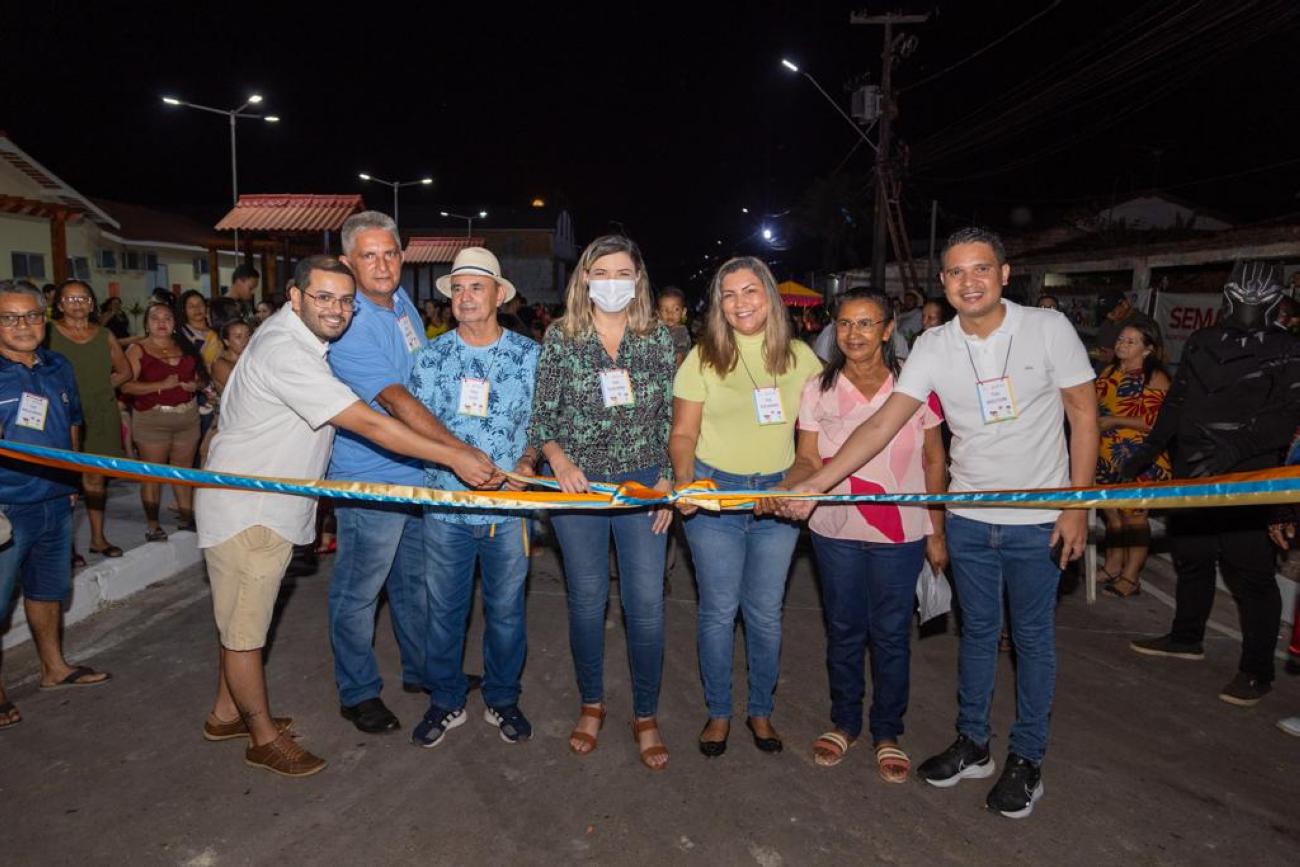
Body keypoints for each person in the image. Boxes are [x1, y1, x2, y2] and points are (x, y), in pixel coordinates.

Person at [780, 228, 1097, 819]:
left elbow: (1083, 414)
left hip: (1038, 517)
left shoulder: (1047, 328)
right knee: (976, 635)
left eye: (981, 269)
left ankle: (1026, 758)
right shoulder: (932, 345)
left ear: (1004, 274)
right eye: (955, 272)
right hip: (968, 512)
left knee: (1031, 640)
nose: (968, 282)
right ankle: (973, 743)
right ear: (943, 282)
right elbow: (882, 425)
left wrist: (1077, 506)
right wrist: (818, 484)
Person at [195, 255, 498, 777]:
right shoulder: (287, 351)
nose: (336, 309)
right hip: (251, 511)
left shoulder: (300, 337)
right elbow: (370, 422)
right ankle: (263, 738)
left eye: (344, 300)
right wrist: (454, 455)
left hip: (272, 504)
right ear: (295, 297)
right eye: (323, 297)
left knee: (241, 617)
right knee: (246, 632)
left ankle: (227, 714)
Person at [327, 211, 494, 735]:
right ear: (347, 263)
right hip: (370, 478)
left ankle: (424, 670)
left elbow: (425, 377)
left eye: (390, 254)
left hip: (419, 472)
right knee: (359, 590)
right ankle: (358, 692)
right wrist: (457, 451)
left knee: (415, 585)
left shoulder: (399, 301)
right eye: (368, 256)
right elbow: (396, 400)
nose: (382, 266)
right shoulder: (350, 324)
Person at [784, 289, 947, 781]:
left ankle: (887, 730)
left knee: (891, 632)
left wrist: (936, 529)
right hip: (835, 528)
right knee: (844, 628)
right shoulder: (818, 387)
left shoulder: (915, 385)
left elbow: (934, 459)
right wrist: (789, 489)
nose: (853, 334)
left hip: (901, 529)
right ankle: (845, 721)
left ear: (887, 328)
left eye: (865, 323)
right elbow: (806, 458)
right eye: (844, 324)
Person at [528, 234, 676, 771]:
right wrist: (559, 462)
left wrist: (669, 481)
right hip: (579, 486)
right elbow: (543, 417)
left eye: (623, 273)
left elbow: (671, 418)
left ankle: (646, 713)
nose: (613, 282)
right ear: (585, 278)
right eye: (602, 272)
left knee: (647, 606)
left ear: (638, 280)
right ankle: (592, 703)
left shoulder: (658, 338)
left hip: (643, 484)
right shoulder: (561, 337)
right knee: (588, 601)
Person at [1126, 260, 1300, 707]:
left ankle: (1257, 671)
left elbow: (1286, 419)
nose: (1247, 308)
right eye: (1240, 298)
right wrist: (1146, 452)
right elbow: (1178, 402)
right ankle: (1186, 637)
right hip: (1193, 469)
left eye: (1257, 300)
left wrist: (1234, 450)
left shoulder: (1289, 349)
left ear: (1275, 302)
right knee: (1193, 557)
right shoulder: (1203, 341)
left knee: (1251, 575)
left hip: (1248, 478)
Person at [670, 256, 822, 759]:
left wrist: (796, 484)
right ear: (719, 305)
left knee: (765, 613)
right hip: (715, 496)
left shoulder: (802, 358)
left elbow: (816, 440)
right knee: (718, 611)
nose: (741, 303)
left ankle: (760, 709)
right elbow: (683, 434)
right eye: (729, 294)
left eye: (750, 291)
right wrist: (687, 484)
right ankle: (719, 711)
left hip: (778, 498)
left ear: (769, 296)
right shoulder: (702, 358)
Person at [408, 248, 540, 748]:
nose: (465, 297)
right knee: (444, 611)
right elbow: (414, 427)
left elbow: (541, 425)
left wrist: (527, 463)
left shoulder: (530, 356)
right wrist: (452, 457)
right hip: (445, 509)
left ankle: (503, 698)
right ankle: (446, 699)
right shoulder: (430, 358)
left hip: (509, 511)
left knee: (506, 612)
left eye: (476, 287)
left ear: (499, 295)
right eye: (457, 288)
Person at [0, 279, 111, 731]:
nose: (22, 325)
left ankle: (54, 668)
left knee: (48, 589)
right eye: (9, 317)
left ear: (44, 320)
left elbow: (72, 423)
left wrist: (73, 479)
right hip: (6, 507)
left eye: (31, 315)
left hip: (55, 498)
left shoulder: (58, 365)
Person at [48, 280, 133, 559]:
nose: (77, 304)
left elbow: (125, 371)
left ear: (92, 303)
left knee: (96, 479)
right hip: (60, 415)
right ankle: (66, 547)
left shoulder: (104, 334)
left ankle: (98, 539)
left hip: (99, 414)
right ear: (59, 305)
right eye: (70, 299)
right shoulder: (47, 333)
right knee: (63, 481)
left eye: (83, 298)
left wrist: (100, 389)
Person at [1094, 322, 1171, 597]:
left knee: (1134, 519)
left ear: (1147, 349)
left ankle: (1131, 576)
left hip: (1139, 457)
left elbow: (1156, 423)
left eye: (1131, 341)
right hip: (1106, 454)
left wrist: (1114, 420)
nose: (1122, 344)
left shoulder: (1155, 378)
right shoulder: (1109, 371)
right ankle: (1113, 565)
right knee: (1112, 515)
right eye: (1121, 339)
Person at [118, 302, 205, 541]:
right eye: (155, 318)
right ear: (146, 324)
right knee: (153, 474)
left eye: (167, 318)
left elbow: (200, 378)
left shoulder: (185, 346)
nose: (161, 322)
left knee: (183, 472)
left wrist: (195, 385)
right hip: (152, 419)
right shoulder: (137, 349)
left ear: (175, 323)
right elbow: (126, 386)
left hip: (187, 417)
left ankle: (187, 520)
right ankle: (153, 526)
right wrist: (160, 386)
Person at [1095, 289, 1156, 368]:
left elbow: (1156, 355)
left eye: (1112, 311)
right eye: (1104, 312)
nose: (1108, 315)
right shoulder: (1106, 323)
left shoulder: (1144, 323)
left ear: (1125, 304)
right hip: (1104, 373)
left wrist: (1116, 357)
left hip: (1129, 373)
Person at [210, 264, 259, 332]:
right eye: (251, 288)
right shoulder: (218, 305)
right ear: (239, 281)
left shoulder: (246, 304)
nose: (253, 292)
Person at [210, 319, 252, 395]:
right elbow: (242, 389)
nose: (245, 340)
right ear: (226, 342)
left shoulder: (249, 357)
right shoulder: (219, 364)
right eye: (238, 337)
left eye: (248, 335)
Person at [657, 285, 692, 366]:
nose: (670, 313)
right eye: (664, 310)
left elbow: (679, 357)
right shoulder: (661, 330)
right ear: (658, 313)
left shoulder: (680, 332)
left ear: (683, 312)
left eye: (676, 309)